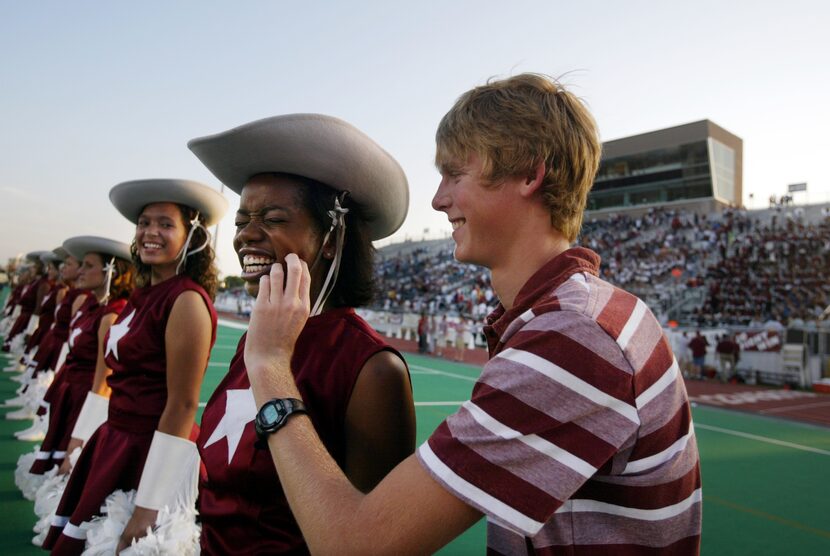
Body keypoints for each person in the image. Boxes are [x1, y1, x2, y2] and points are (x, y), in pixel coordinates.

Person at [243, 74, 702, 554]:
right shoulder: (591, 315)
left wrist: (270, 364)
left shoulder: (574, 337)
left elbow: (354, 546)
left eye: (455, 174)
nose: (439, 199)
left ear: (529, 174)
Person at [188, 113, 416, 554]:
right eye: (240, 222)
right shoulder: (257, 337)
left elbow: (376, 541)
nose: (246, 236)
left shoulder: (371, 369)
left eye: (272, 219)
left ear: (331, 238)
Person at [43, 179, 227, 555]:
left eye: (165, 224)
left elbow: (182, 405)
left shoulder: (187, 301)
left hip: (151, 451)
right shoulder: (142, 296)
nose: (150, 233)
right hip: (115, 440)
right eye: (144, 223)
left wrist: (148, 505)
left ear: (193, 237)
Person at [28, 237, 134, 481]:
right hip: (71, 391)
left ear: (111, 272)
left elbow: (102, 383)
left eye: (88, 265)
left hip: (84, 399)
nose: (80, 271)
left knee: (68, 473)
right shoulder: (90, 305)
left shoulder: (112, 315)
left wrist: (82, 433)